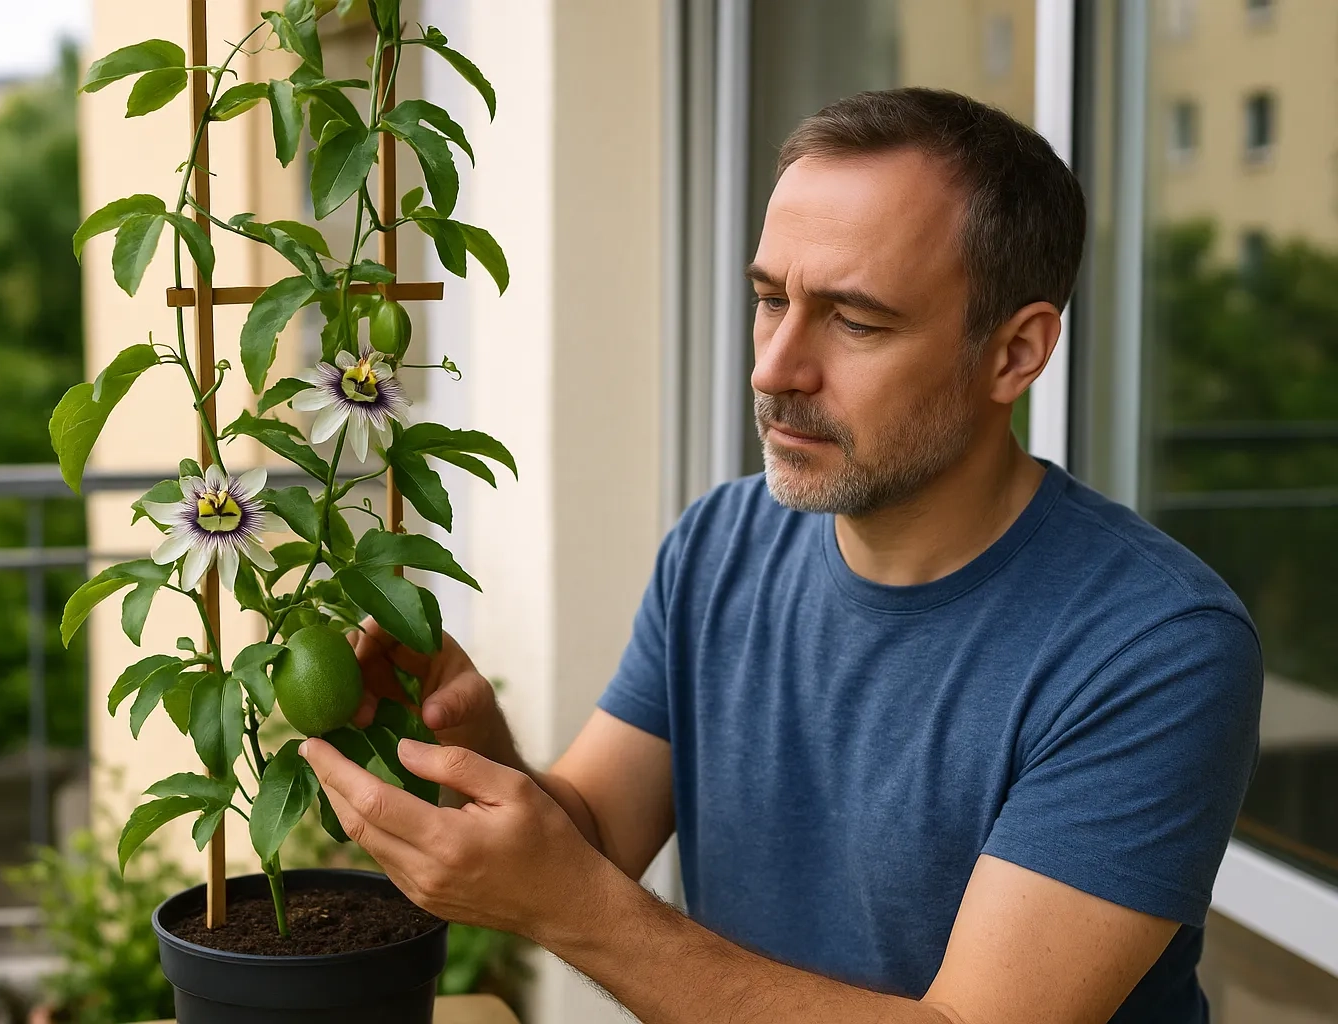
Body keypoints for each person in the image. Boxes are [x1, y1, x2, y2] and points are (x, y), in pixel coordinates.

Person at [300, 87, 1262, 1024]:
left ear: (1016, 353)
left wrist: (567, 904)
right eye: (771, 300)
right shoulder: (723, 543)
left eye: (855, 321)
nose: (773, 368)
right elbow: (590, 837)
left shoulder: (1155, 646)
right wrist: (477, 755)